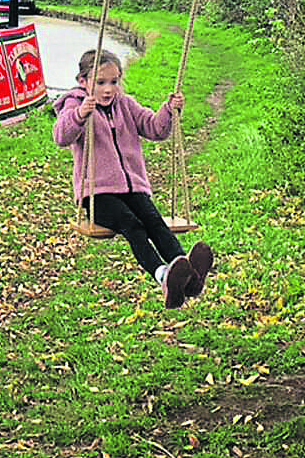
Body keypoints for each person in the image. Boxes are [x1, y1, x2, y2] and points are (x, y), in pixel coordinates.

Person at [52, 48, 213, 309]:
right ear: (82, 81)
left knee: (155, 222)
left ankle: (188, 276)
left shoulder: (126, 104)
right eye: (100, 82)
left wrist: (168, 110)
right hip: (97, 195)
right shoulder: (74, 104)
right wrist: (80, 114)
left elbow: (154, 128)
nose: (108, 90)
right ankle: (162, 275)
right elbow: (61, 136)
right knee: (133, 225)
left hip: (132, 188)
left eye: (114, 82)